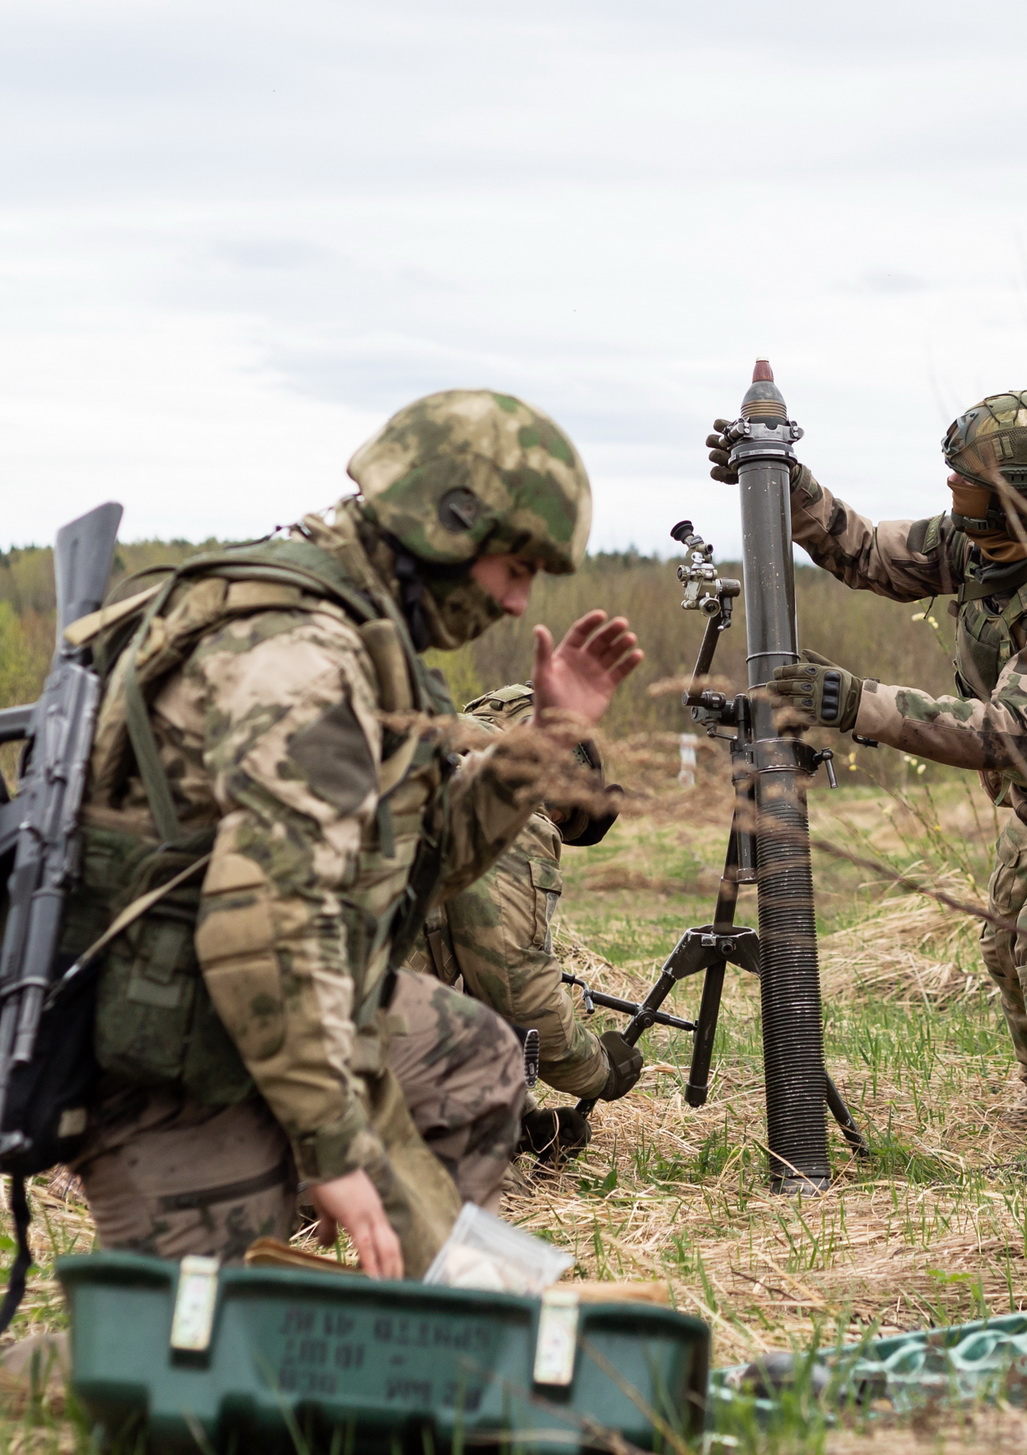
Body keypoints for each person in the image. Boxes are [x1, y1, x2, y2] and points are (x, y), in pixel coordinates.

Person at [63, 389, 642, 1279]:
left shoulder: (367, 641)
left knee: (472, 1069)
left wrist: (537, 750)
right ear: (447, 522)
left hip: (283, 1011)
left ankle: (393, 1303)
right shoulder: (302, 657)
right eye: (514, 566)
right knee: (196, 1350)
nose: (518, 599)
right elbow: (260, 924)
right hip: (176, 1055)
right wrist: (332, 1146)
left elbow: (420, 867)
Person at [711, 392, 1027, 1142]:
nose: (953, 486)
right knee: (1003, 941)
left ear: (1024, 504)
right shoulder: (983, 544)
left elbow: (1004, 731)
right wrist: (783, 484)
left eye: (971, 481)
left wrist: (856, 702)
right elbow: (867, 552)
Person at [408, 682, 645, 1162]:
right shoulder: (500, 802)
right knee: (489, 1184)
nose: (550, 823)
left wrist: (518, 1116)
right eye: (560, 813)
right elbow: (514, 986)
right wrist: (599, 1070)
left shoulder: (411, 753)